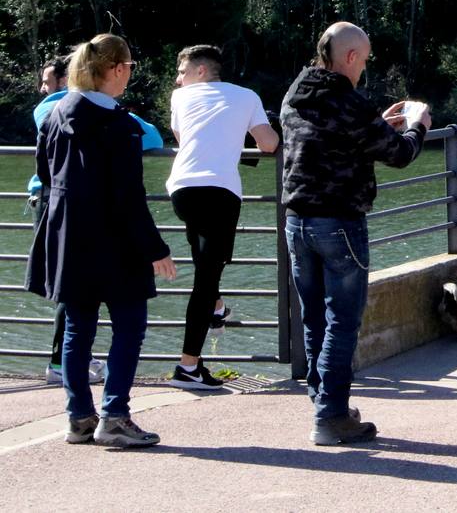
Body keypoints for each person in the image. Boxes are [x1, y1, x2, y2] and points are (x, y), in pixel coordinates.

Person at [25, 35, 177, 447]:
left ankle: (79, 417)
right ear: (117, 69)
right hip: (115, 241)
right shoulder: (121, 126)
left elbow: (45, 171)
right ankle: (115, 415)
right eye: (128, 66)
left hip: (68, 236)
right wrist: (156, 249)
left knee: (78, 330)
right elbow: (128, 197)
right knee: (129, 326)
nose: (130, 73)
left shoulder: (56, 116)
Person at [281, 22, 429, 445]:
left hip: (297, 221)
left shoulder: (296, 91)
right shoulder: (348, 101)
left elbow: (326, 136)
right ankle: (331, 418)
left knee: (314, 319)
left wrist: (376, 123)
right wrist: (416, 124)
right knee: (342, 323)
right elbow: (400, 154)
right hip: (339, 223)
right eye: (363, 59)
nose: (364, 67)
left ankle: (325, 401)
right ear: (349, 57)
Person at [165, 45, 280, 391]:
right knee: (205, 277)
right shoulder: (247, 96)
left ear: (201, 71)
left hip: (181, 190)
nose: (178, 78)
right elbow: (269, 145)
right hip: (219, 193)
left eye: (182, 71)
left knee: (204, 267)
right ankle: (187, 368)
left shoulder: (178, 99)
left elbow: (185, 139)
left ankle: (216, 307)